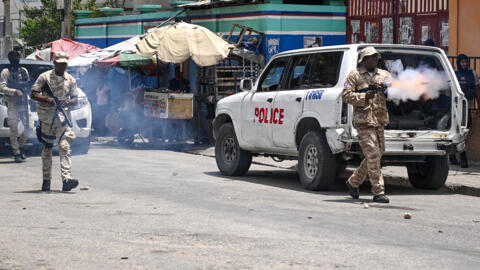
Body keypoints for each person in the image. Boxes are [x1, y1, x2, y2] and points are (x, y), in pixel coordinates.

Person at [342, 46, 391, 203]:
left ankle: (353, 181)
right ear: (363, 60)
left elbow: (393, 93)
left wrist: (386, 91)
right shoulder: (354, 75)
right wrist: (364, 96)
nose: (374, 60)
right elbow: (346, 95)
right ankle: (378, 191)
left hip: (379, 120)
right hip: (364, 121)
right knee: (373, 154)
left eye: (376, 57)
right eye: (370, 57)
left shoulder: (384, 75)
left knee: (378, 152)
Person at [30, 52, 79, 192]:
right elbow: (33, 93)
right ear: (55, 63)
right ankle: (46, 181)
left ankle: (67, 180)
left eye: (64, 63)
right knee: (47, 148)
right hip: (47, 118)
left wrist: (67, 101)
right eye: (60, 63)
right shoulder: (44, 77)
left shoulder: (70, 79)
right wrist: (47, 99)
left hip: (63, 119)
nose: (62, 66)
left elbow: (75, 99)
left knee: (64, 146)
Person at [0, 50, 31, 162]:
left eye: (18, 57)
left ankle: (20, 147)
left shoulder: (24, 71)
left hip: (24, 102)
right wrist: (15, 91)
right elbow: (2, 87)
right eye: (14, 58)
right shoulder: (5, 72)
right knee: (13, 130)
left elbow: (28, 84)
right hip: (12, 103)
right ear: (10, 59)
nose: (16, 59)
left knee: (29, 127)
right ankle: (16, 152)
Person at [451, 54, 480, 168]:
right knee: (456, 131)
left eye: (466, 62)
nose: (465, 64)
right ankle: (460, 158)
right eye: (462, 62)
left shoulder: (473, 73)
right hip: (455, 106)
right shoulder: (453, 72)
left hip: (467, 106)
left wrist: (479, 106)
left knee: (465, 131)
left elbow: (477, 90)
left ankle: (458, 155)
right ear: (458, 62)